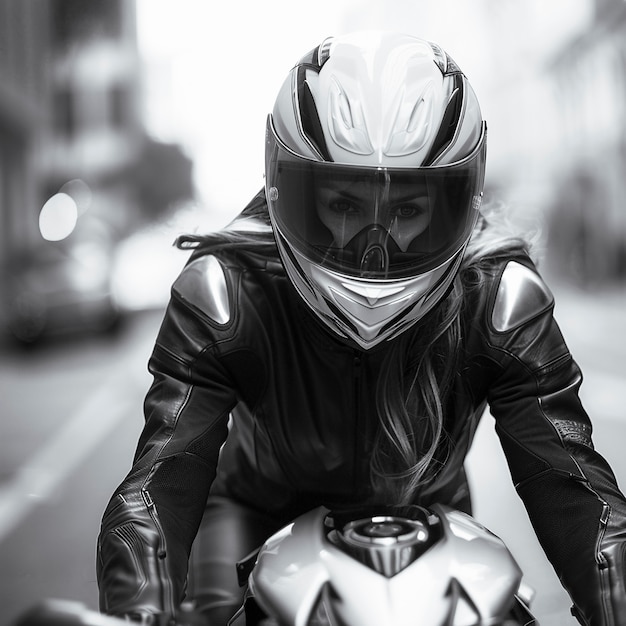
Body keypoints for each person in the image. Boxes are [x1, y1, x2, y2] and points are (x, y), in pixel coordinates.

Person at [96, 32, 626, 625]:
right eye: (344, 205)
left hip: (430, 521)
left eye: (408, 209)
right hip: (253, 513)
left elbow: (574, 485)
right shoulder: (225, 290)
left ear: (460, 200)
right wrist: (136, 614)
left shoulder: (499, 297)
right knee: (209, 617)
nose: (375, 250)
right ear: (288, 189)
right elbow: (159, 480)